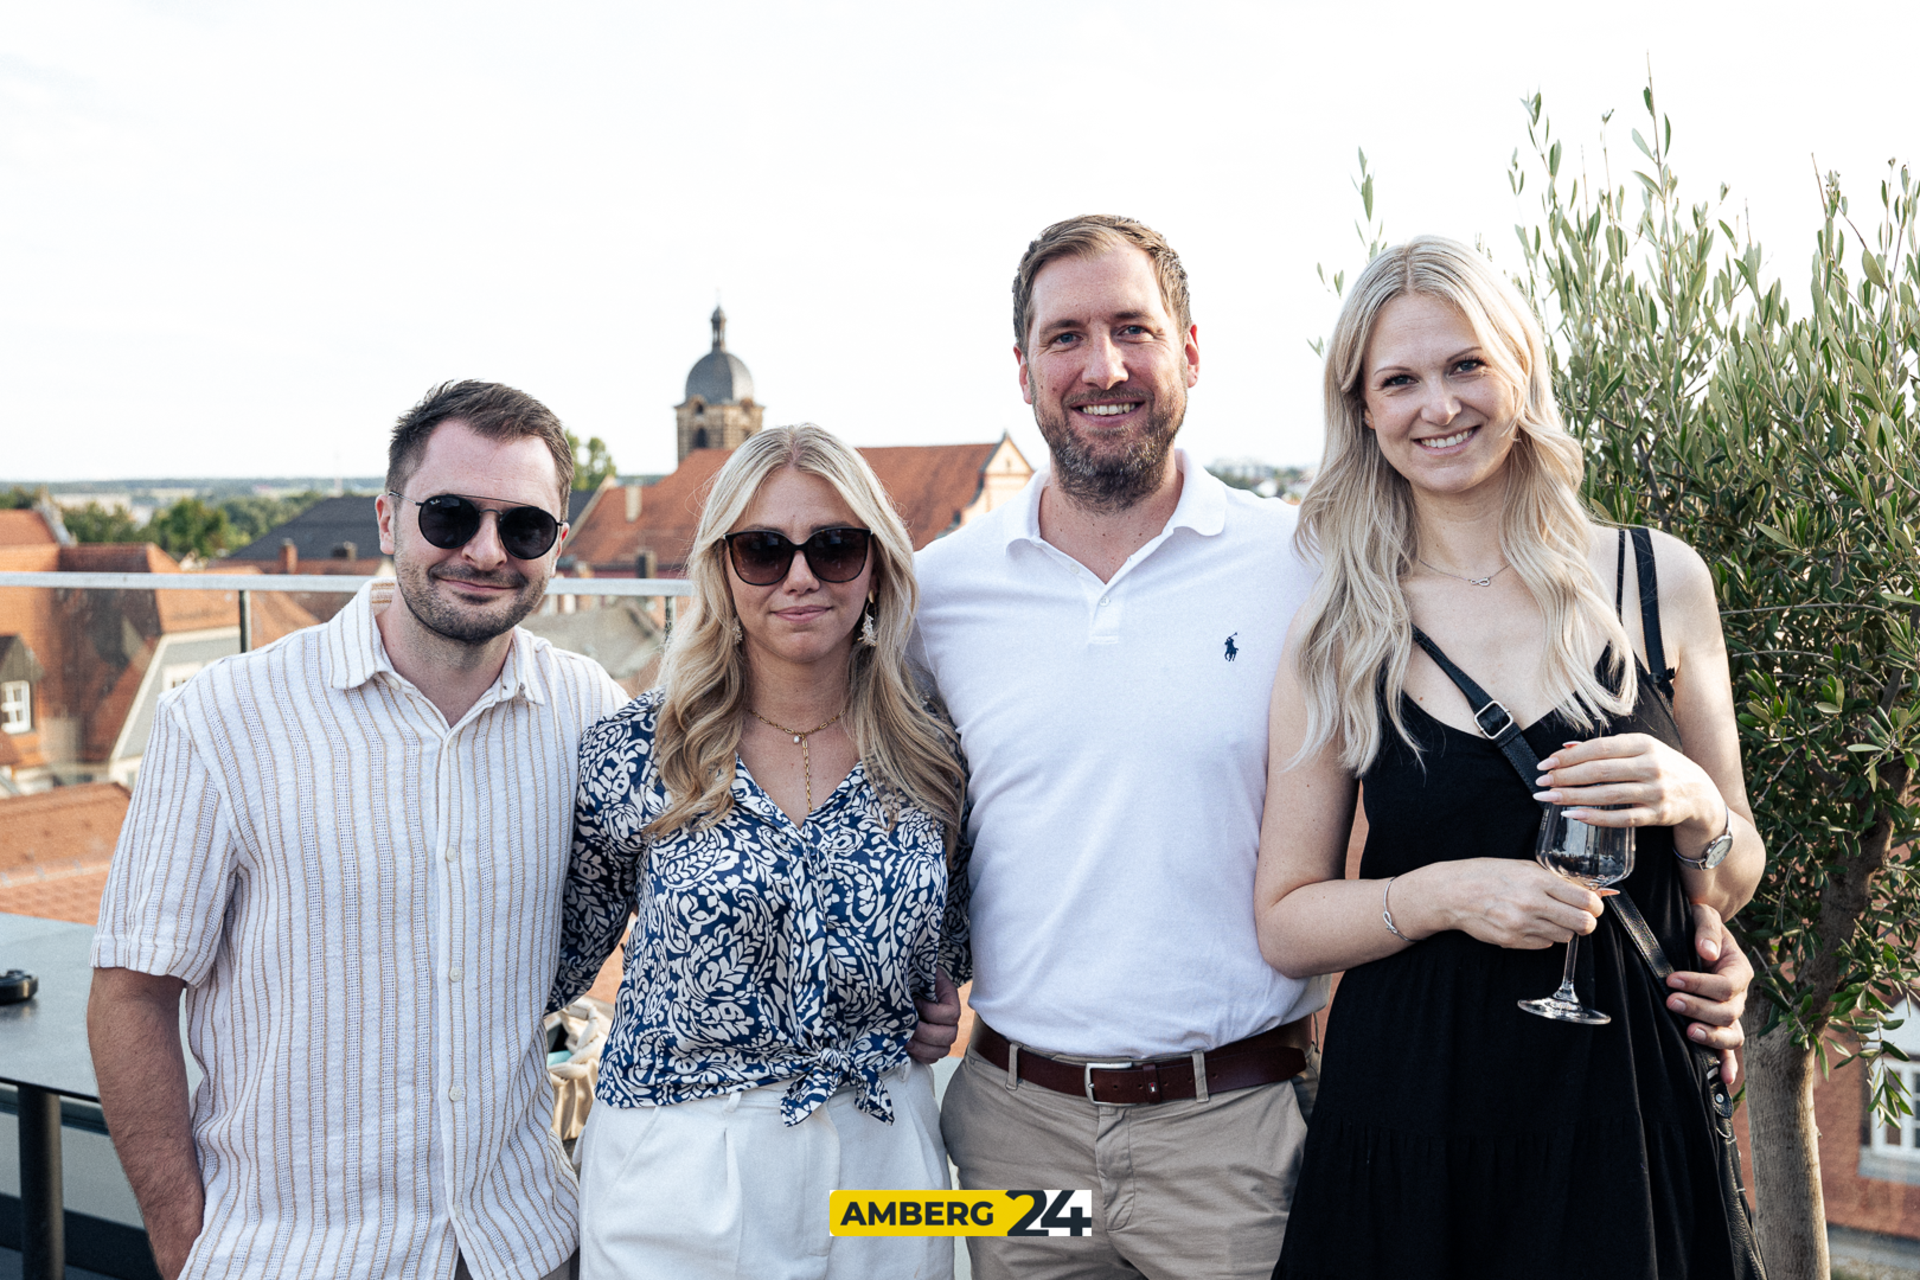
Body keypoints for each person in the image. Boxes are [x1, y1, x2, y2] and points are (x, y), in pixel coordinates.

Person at [907, 214, 1755, 1280]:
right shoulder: (937, 588)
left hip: (1231, 1142)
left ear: (1192, 351)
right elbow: (863, 784)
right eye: (1067, 335)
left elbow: (1724, 869)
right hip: (1014, 1149)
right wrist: (913, 977)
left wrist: (1706, 899)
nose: (1104, 365)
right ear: (1023, 364)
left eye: (1134, 327)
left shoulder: (1297, 566)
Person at [1257, 236, 1764, 1279]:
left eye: (1465, 365)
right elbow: (1287, 917)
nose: (1438, 405)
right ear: (1362, 409)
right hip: (1415, 1109)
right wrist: (1445, 892)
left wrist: (1696, 801)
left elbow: (1732, 872)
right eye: (1399, 380)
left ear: (1520, 369)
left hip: (1624, 1098)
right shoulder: (1340, 629)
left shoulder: (1656, 581)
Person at [89, 381, 625, 1280]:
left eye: (524, 528)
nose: (486, 551)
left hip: (525, 1246)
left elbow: (717, 885)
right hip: (300, 1257)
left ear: (558, 548)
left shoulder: (589, 714)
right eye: (449, 516)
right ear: (387, 519)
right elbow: (131, 995)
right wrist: (184, 1247)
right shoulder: (224, 718)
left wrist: (921, 991)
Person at [548, 424, 968, 1280]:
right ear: (721, 569)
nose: (802, 576)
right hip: (681, 1166)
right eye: (764, 550)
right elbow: (551, 965)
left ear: (878, 566)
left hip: (880, 1160)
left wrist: (934, 1007)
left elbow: (950, 948)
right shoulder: (636, 752)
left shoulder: (933, 757)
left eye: (837, 547)